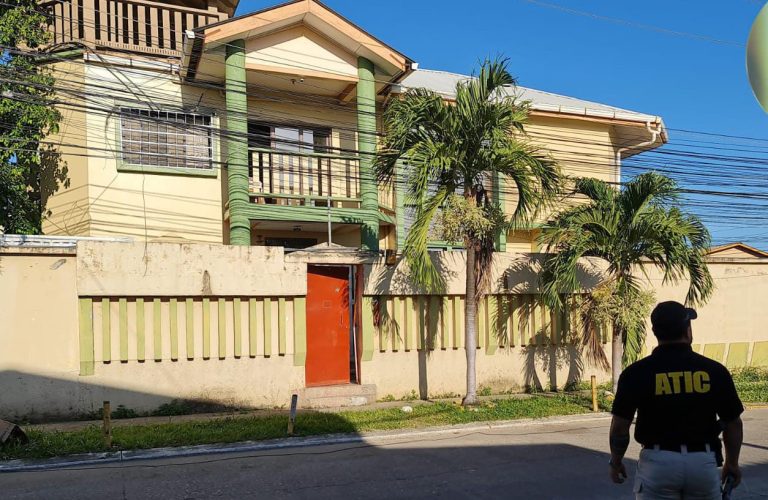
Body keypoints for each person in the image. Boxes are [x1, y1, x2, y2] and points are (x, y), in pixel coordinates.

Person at [608, 301, 744, 499]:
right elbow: (733, 423)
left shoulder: (636, 373)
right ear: (688, 331)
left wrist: (616, 461)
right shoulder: (714, 371)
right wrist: (732, 463)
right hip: (702, 464)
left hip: (657, 465)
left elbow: (620, 427)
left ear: (655, 332)